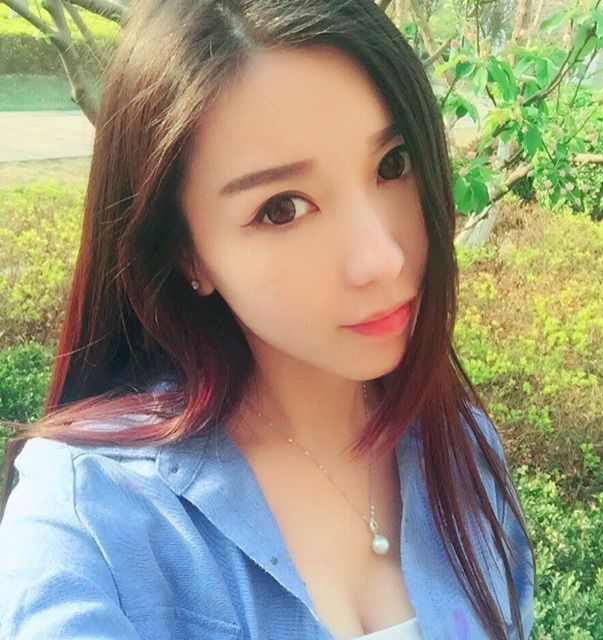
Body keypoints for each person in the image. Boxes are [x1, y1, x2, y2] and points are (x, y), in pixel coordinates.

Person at [0, 1, 535, 639]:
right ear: (187, 252)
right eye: (283, 208)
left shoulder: (461, 449)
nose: (382, 259)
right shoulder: (89, 517)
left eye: (392, 165)